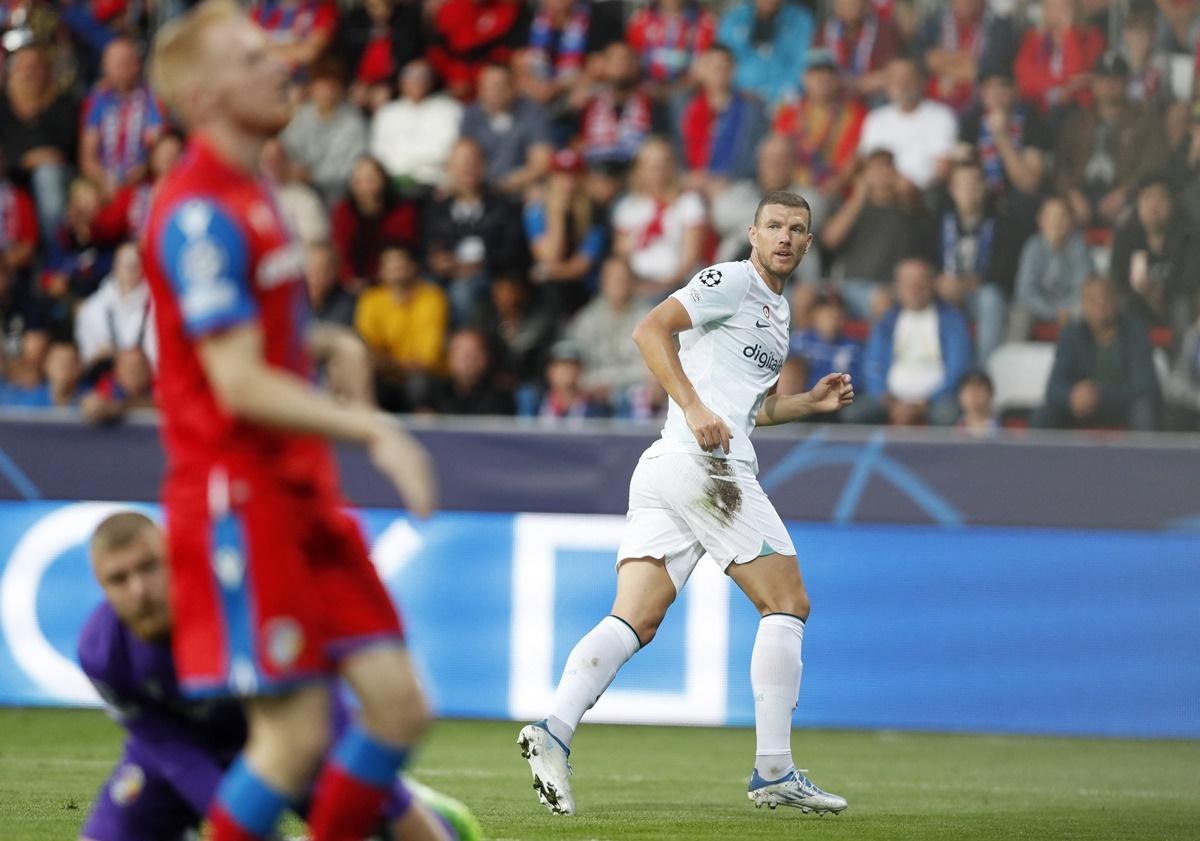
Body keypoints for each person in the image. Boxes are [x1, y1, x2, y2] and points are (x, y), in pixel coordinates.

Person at [144, 5, 437, 841]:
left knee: (397, 707)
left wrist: (330, 339)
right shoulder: (199, 210)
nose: (281, 65)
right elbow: (234, 382)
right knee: (292, 737)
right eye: (251, 58)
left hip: (300, 489)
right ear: (203, 98)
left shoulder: (256, 191)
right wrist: (373, 428)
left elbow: (248, 342)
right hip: (240, 498)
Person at [518, 190, 853, 817]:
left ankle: (554, 732)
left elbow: (747, 411)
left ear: (809, 244)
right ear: (752, 234)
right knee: (786, 602)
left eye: (798, 229)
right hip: (704, 467)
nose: (785, 236)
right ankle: (773, 770)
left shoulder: (777, 314)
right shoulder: (730, 280)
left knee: (636, 618)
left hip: (670, 468)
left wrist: (805, 403)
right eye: (774, 225)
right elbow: (650, 330)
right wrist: (694, 407)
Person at [76, 511, 481, 841]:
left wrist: (389, 801)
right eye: (119, 579)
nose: (139, 591)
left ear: (174, 556)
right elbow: (170, 750)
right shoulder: (102, 654)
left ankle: (432, 812)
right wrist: (242, 823)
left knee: (378, 814)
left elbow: (322, 709)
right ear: (101, 587)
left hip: (290, 735)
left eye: (149, 568)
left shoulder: (242, 600)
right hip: (187, 752)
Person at [1054, 51, 1171, 227]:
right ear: (1093, 83)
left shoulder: (1144, 118)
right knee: (1054, 214)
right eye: (1102, 78)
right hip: (1081, 195)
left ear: (1126, 82)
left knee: (1139, 212)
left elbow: (1155, 162)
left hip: (1126, 196)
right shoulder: (1077, 119)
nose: (1108, 84)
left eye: (1115, 79)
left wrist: (1125, 192)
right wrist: (1072, 194)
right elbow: (1060, 163)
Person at [850, 257, 971, 426]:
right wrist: (890, 402)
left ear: (932, 283)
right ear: (898, 286)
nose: (915, 287)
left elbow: (958, 368)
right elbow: (872, 364)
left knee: (947, 415)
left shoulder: (951, 319)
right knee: (854, 413)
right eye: (908, 280)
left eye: (921, 279)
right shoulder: (887, 320)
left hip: (936, 400)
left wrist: (923, 404)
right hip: (889, 399)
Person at [1032, 276, 1160, 431]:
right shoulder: (1071, 335)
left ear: (1116, 301)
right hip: (1081, 409)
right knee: (1043, 414)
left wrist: (1099, 395)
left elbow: (1145, 387)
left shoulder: (1135, 332)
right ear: (1083, 305)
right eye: (1092, 299)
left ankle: (1143, 456)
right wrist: (1071, 396)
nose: (1100, 304)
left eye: (1106, 297)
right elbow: (1053, 387)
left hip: (1121, 406)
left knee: (1143, 411)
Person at [354, 244, 449, 412]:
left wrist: (388, 363)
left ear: (413, 268)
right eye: (391, 267)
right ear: (381, 271)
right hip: (384, 377)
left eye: (401, 266)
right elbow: (367, 350)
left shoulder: (432, 297)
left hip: (424, 378)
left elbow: (427, 359)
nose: (396, 271)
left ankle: (424, 431)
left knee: (419, 383)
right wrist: (388, 363)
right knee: (362, 379)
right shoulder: (370, 299)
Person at [611, 138, 707, 296]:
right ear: (639, 170)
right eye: (650, 165)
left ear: (672, 167)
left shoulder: (689, 203)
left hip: (679, 285)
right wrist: (634, 285)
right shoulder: (627, 207)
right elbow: (621, 256)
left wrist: (661, 285)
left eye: (663, 163)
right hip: (636, 283)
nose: (657, 170)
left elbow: (690, 260)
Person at [1109, 176, 1197, 336]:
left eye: (1161, 198)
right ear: (1138, 204)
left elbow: (1190, 281)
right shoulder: (1126, 234)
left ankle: (1182, 360)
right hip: (1138, 302)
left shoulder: (1188, 235)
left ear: (1172, 204)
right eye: (1148, 198)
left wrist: (1159, 294)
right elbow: (1117, 278)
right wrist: (1145, 292)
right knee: (1123, 305)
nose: (1154, 206)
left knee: (1183, 307)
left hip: (1174, 302)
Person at [672, 44, 769, 189]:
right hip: (689, 182)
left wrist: (729, 180)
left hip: (734, 184)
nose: (719, 72)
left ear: (734, 71)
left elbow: (756, 155)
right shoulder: (682, 105)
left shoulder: (752, 109)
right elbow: (673, 146)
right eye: (713, 67)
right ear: (701, 70)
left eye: (724, 67)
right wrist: (686, 177)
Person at [79, 37, 165, 201]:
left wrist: (144, 167)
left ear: (137, 65)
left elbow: (159, 143)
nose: (122, 68)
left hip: (144, 179)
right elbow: (87, 156)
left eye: (127, 62)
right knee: (82, 200)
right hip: (104, 181)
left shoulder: (152, 99)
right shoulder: (97, 101)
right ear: (105, 67)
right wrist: (103, 179)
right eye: (116, 64)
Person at [564, 256, 653, 414]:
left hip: (633, 392)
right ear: (602, 282)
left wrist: (610, 384)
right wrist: (592, 385)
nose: (618, 284)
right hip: (591, 391)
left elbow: (649, 369)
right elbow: (575, 367)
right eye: (612, 278)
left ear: (632, 282)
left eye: (623, 278)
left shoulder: (648, 317)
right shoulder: (586, 319)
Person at [856, 55, 958, 192]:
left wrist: (909, 188)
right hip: (882, 194)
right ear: (887, 83)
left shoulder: (942, 117)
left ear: (922, 81)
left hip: (925, 196)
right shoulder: (875, 119)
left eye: (908, 77)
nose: (902, 84)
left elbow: (943, 169)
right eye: (896, 78)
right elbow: (866, 163)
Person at [280, 57, 367, 206]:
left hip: (337, 192)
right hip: (298, 185)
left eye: (332, 86)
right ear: (311, 88)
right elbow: (287, 148)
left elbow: (349, 167)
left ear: (341, 89)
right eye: (321, 86)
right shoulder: (300, 116)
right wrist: (294, 170)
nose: (326, 92)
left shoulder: (354, 122)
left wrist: (312, 176)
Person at [458, 61, 555, 195]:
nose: (492, 92)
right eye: (486, 87)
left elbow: (541, 163)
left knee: (538, 193)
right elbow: (462, 157)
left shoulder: (533, 113)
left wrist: (504, 185)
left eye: (498, 87)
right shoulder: (471, 115)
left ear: (513, 88)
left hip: (520, 187)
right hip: (479, 188)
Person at [1007, 194, 1093, 342]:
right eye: (1052, 217)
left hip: (1071, 308)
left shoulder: (1079, 247)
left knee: (1090, 312)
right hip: (1039, 307)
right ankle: (1014, 360)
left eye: (1062, 217)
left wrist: (1068, 310)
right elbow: (1025, 290)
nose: (1057, 222)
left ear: (1072, 221)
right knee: (1020, 314)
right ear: (1041, 221)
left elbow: (1084, 286)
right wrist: (1053, 312)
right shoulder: (1033, 247)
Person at [370, 59, 463, 189]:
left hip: (436, 183)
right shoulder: (387, 112)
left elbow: (447, 152)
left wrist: (408, 159)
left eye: (423, 75)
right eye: (411, 75)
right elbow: (379, 153)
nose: (417, 80)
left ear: (431, 80)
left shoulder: (450, 109)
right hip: (392, 184)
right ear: (401, 81)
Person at [74, 241, 156, 370]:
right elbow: (87, 359)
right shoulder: (91, 308)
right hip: (106, 381)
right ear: (115, 267)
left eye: (136, 265)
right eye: (126, 265)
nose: (131, 270)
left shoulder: (156, 307)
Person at [715, 0, 814, 106]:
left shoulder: (801, 20)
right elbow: (723, 63)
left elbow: (803, 64)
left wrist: (778, 95)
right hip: (741, 98)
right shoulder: (733, 19)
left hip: (784, 99)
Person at [956, 369, 997, 436]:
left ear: (990, 394)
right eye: (969, 390)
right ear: (960, 395)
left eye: (979, 389)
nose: (974, 395)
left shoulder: (1007, 428)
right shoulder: (949, 430)